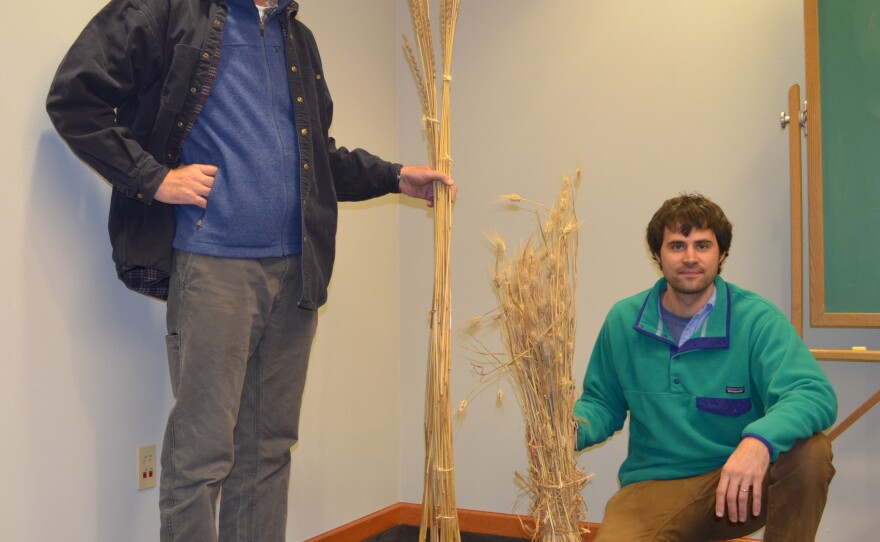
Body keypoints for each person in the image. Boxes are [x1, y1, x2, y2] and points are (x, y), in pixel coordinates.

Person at [46, 1, 455, 540]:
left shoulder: (298, 39)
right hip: (214, 268)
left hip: (296, 271)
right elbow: (75, 97)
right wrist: (152, 178)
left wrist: (394, 175)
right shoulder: (173, 11)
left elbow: (316, 159)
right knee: (202, 455)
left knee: (268, 451)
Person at [574, 193, 836, 541]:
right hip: (654, 487)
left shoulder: (756, 319)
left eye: (702, 245)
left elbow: (812, 393)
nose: (690, 258)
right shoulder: (623, 320)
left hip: (739, 485)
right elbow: (602, 403)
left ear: (721, 253)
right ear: (657, 254)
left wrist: (758, 442)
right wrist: (569, 428)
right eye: (677, 246)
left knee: (810, 452)